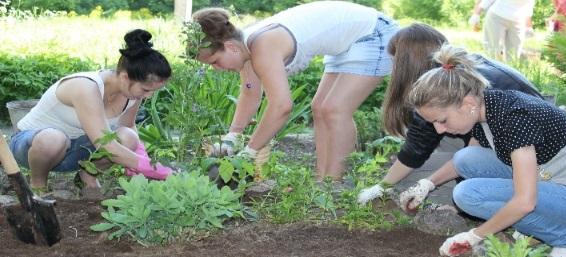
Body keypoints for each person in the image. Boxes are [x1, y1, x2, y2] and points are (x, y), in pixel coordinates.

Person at [398, 44, 566, 257]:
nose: (439, 130)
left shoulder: (515, 119)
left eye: (442, 120)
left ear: (467, 104)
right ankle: (539, 228)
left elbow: (525, 202)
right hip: (555, 182)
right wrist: (426, 184)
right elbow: (464, 162)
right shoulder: (486, 106)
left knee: (468, 195)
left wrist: (474, 236)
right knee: (466, 157)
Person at [192, 1, 399, 182]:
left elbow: (282, 106)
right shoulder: (245, 50)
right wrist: (233, 135)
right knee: (320, 108)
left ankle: (334, 186)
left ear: (230, 47)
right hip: (348, 41)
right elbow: (250, 94)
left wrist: (250, 151)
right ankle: (323, 181)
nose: (217, 69)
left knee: (335, 110)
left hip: (373, 33)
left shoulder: (262, 46)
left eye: (215, 62)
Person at [357, 23, 542, 205]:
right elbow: (424, 139)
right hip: (515, 138)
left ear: (405, 63)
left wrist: (384, 185)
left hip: (529, 155)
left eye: (394, 62)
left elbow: (419, 150)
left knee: (408, 181)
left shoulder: (438, 89)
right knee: (434, 142)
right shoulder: (454, 71)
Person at [9, 29, 175, 199]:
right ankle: (38, 185)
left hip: (76, 151)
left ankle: (87, 176)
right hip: (33, 148)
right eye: (146, 89)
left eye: (153, 92)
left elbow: (127, 127)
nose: (149, 96)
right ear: (125, 77)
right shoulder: (85, 87)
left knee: (128, 136)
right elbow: (105, 146)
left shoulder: (133, 93)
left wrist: (141, 157)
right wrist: (154, 169)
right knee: (54, 138)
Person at [468, 0, 535, 61]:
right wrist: (476, 14)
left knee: (514, 53)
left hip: (518, 21)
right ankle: (492, 72)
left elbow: (529, 7)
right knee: (494, 50)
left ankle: (509, 73)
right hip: (497, 16)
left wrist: (528, 27)